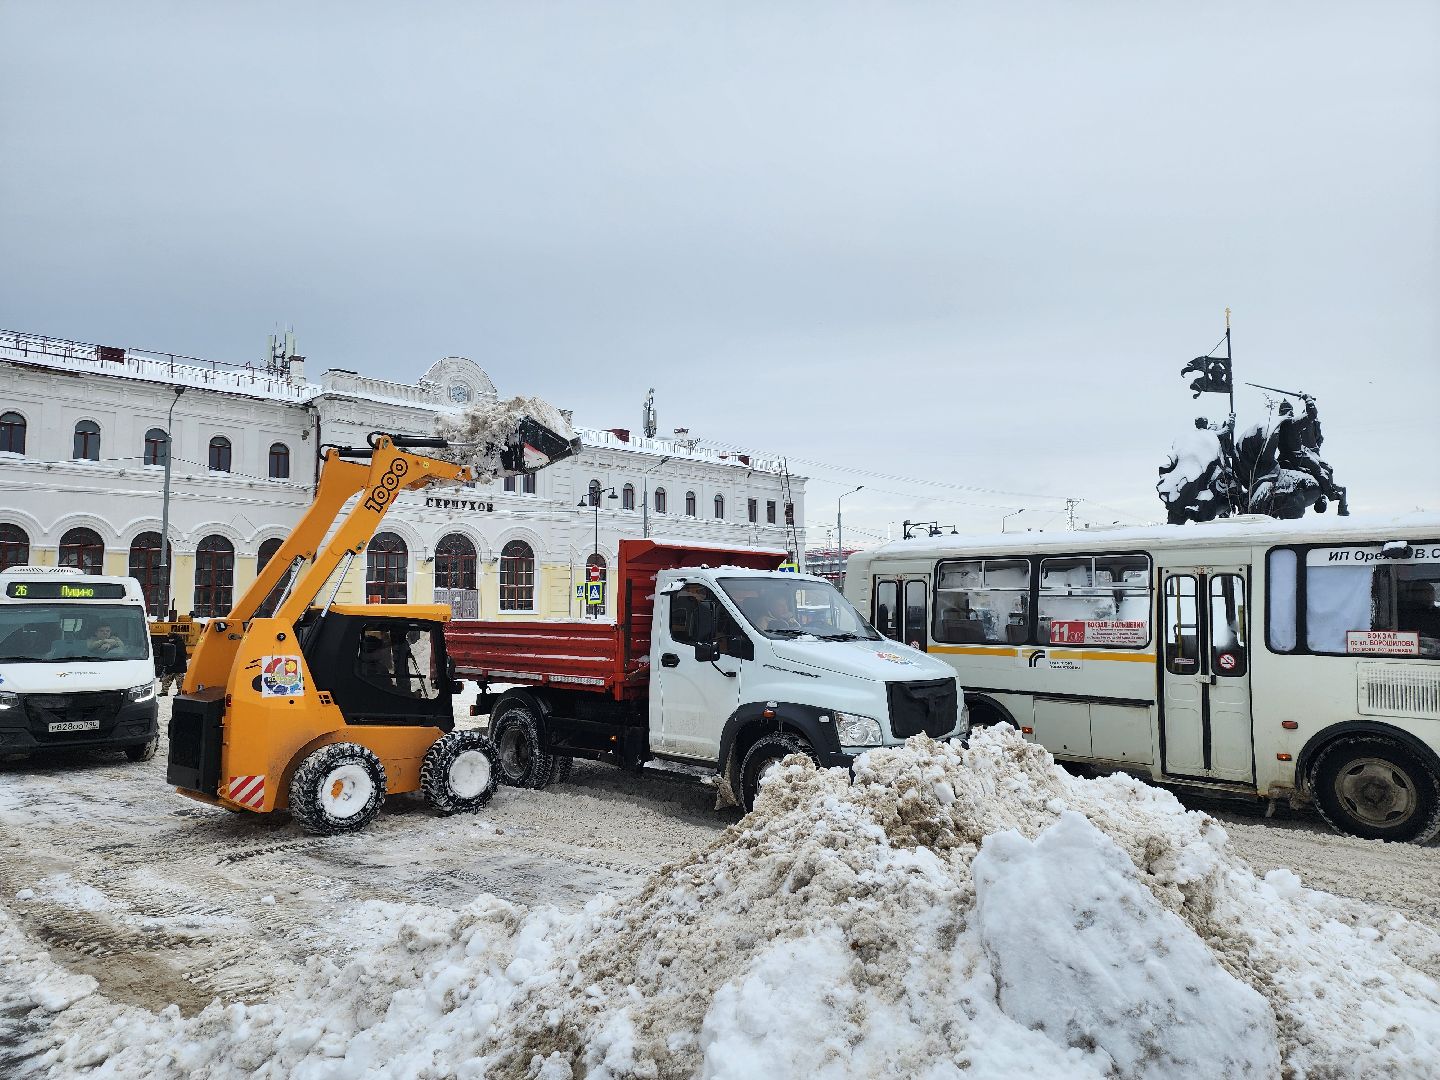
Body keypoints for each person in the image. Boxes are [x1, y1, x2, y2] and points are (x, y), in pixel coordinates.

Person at [158, 630, 188, 696]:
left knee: (179, 680)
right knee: (166, 679)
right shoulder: (170, 643)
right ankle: (164, 692)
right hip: (171, 665)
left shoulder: (179, 643)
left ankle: (180, 692)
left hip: (178, 665)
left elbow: (182, 654)